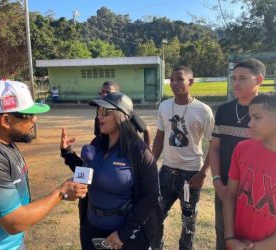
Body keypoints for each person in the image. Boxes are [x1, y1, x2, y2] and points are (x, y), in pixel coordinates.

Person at [0, 79, 88, 250]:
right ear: (5, 120)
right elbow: (15, 223)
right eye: (28, 115)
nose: (35, 119)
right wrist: (61, 192)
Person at [60, 92, 161, 250]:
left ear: (121, 116)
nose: (100, 116)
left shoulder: (140, 153)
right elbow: (88, 174)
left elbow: (150, 196)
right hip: (90, 228)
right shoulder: (96, 143)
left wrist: (123, 234)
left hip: (122, 236)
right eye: (98, 111)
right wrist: (68, 153)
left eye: (105, 112)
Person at [223, 91, 276, 250]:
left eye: (257, 118)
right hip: (237, 244)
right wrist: (230, 237)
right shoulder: (242, 149)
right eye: (250, 117)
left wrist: (257, 247)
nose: (249, 123)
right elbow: (230, 195)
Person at [152, 66, 214, 250]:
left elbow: (214, 144)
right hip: (166, 173)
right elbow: (159, 138)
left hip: (191, 176)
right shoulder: (164, 106)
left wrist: (203, 174)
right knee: (155, 216)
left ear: (191, 82)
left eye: (179, 79)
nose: (175, 83)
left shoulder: (203, 110)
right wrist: (150, 164)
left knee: (188, 223)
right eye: (172, 79)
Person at [209, 58, 265, 250]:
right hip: (224, 187)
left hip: (255, 192)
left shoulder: (268, 112)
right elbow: (214, 147)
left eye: (242, 78)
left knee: (251, 239)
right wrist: (217, 181)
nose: (236, 83)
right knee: (223, 234)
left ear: (259, 80)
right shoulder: (223, 111)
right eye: (234, 78)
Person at [94, 81, 151, 146]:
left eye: (108, 92)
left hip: (129, 148)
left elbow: (146, 130)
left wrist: (147, 150)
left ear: (117, 94)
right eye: (102, 92)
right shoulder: (100, 110)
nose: (104, 95)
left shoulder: (125, 110)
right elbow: (98, 133)